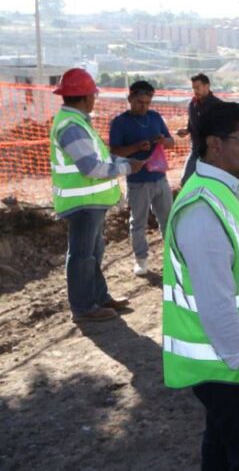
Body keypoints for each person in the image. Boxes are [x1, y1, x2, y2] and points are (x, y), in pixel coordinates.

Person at [161, 102, 239, 470]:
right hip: (228, 371)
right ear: (215, 145)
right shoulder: (203, 209)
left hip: (231, 367)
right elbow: (217, 307)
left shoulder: (230, 191)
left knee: (220, 449)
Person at [50, 68, 142, 322]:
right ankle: (83, 307)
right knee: (82, 256)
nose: (95, 99)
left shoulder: (77, 123)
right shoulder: (72, 127)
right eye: (92, 94)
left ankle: (98, 297)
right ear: (84, 97)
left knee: (93, 252)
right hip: (82, 202)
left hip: (91, 202)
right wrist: (126, 168)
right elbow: (90, 167)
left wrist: (123, 160)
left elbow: (97, 158)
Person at [109, 80, 174, 276]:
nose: (144, 106)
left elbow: (171, 141)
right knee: (138, 222)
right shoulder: (120, 122)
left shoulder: (155, 117)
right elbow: (115, 150)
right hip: (137, 181)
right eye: (139, 102)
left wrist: (164, 141)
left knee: (168, 219)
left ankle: (173, 256)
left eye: (147, 102)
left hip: (159, 178)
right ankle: (141, 259)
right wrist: (137, 147)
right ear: (130, 99)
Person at [178, 73, 220, 184]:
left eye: (198, 88)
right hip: (196, 150)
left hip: (213, 152)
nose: (195, 91)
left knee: (211, 183)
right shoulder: (192, 104)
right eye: (194, 88)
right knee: (185, 181)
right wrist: (186, 131)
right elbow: (191, 125)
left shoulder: (218, 106)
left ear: (207, 86)